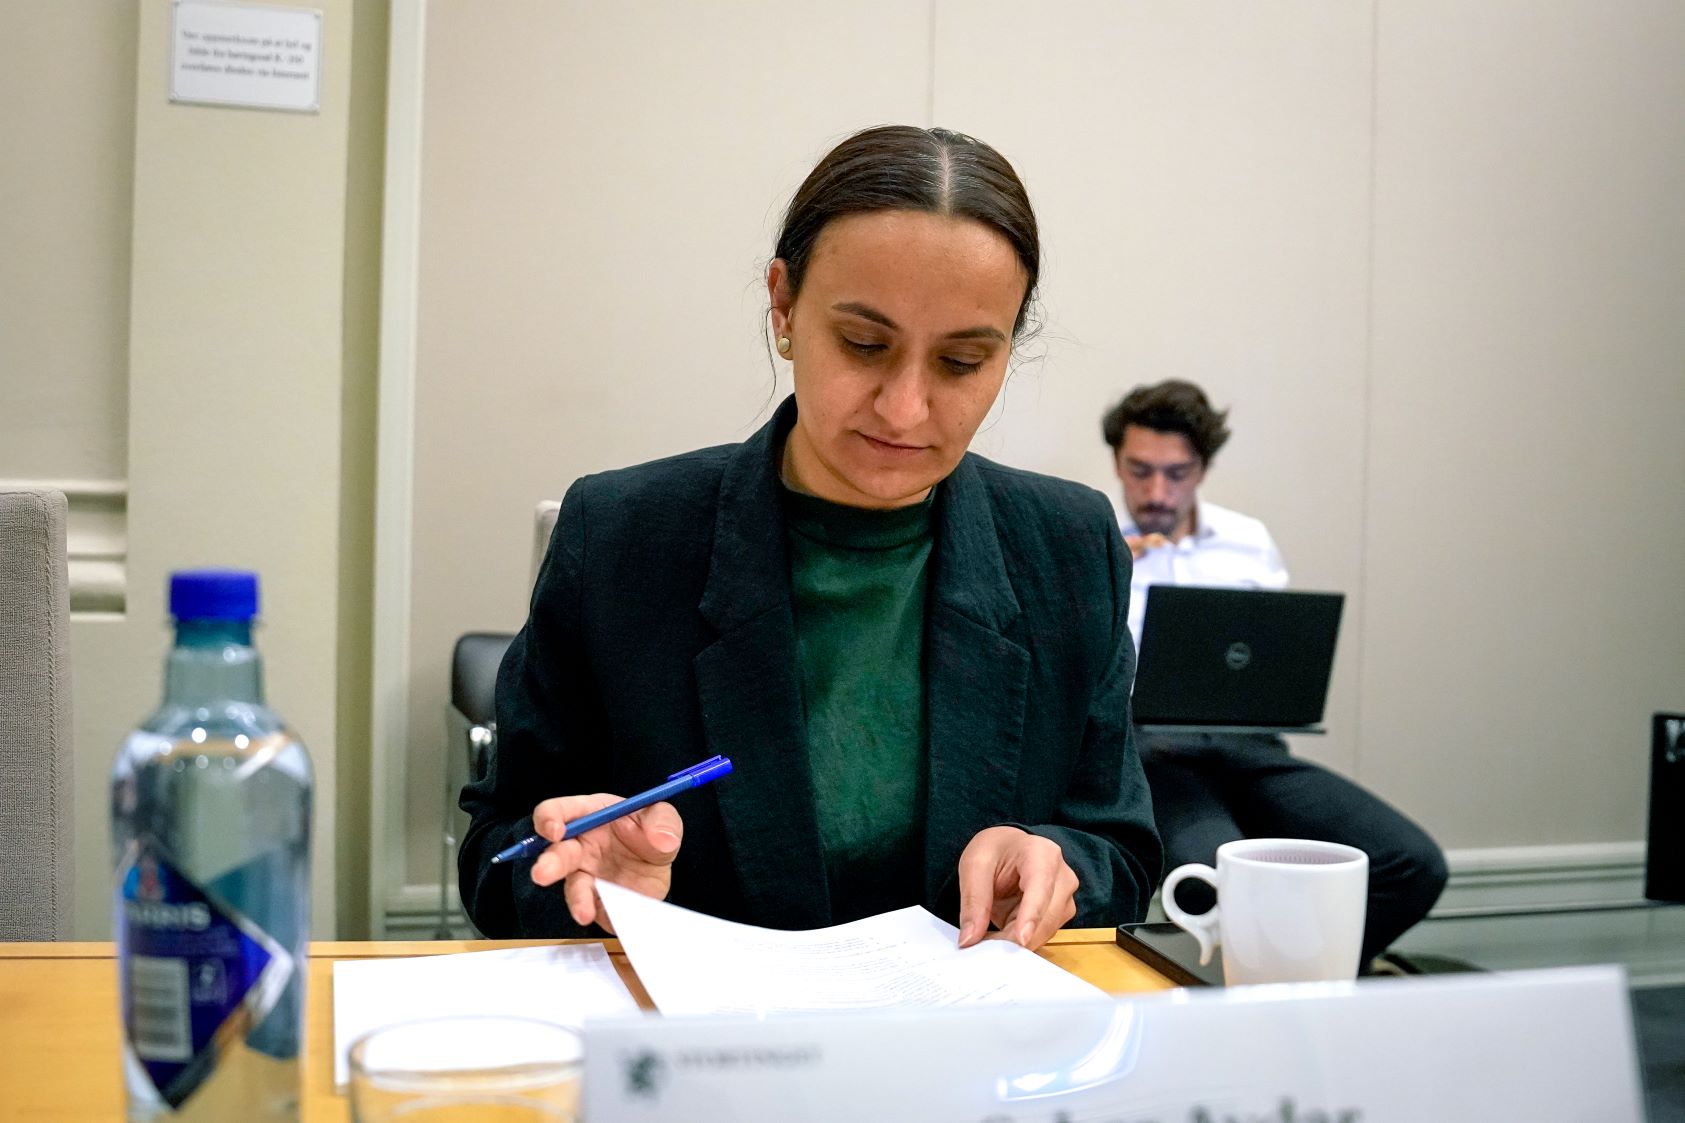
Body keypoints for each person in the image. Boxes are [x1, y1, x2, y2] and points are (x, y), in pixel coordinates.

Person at [459, 126, 1162, 951]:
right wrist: (578, 878)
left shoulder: (1068, 547)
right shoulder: (622, 536)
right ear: (783, 305)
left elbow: (1121, 847)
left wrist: (1057, 862)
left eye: (962, 361)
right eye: (864, 344)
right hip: (699, 1021)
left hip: (962, 1024)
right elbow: (496, 853)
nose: (904, 408)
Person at [1102, 379, 1446, 967]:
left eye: (1177, 473)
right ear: (1117, 462)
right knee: (1224, 880)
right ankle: (1260, 987)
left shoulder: (1247, 541)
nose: (1157, 491)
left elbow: (1270, 665)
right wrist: (1103, 573)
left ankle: (1302, 976)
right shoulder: (1094, 538)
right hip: (1152, 756)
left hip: (1249, 748)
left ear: (1203, 469)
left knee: (1412, 863)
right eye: (1140, 471)